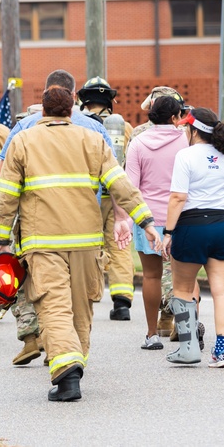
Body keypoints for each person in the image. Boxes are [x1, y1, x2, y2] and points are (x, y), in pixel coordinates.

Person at [0, 84, 158, 401]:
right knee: (81, 310)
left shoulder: (23, 141)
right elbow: (119, 185)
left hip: (43, 242)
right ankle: (73, 364)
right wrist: (145, 221)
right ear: (71, 111)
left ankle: (67, 372)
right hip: (87, 243)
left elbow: (7, 195)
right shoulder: (93, 140)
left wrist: (0, 241)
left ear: (43, 111)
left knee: (53, 306)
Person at [0, 69, 117, 366]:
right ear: (72, 101)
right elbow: (116, 180)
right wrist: (128, 219)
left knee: (52, 300)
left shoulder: (24, 130)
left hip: (41, 233)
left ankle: (59, 356)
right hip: (86, 232)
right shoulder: (95, 132)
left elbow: (2, 179)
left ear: (43, 102)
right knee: (80, 304)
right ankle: (72, 356)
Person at [162, 107, 224, 368]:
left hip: (192, 226)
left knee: (183, 289)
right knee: (223, 292)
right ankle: (221, 352)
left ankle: (188, 349)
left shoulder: (185, 156)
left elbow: (178, 197)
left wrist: (167, 233)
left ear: (193, 130)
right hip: (223, 225)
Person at [125, 95, 189, 350]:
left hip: (147, 218)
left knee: (151, 276)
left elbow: (130, 187)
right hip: (182, 216)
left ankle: (152, 334)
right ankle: (186, 330)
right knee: (185, 277)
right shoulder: (185, 140)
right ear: (175, 118)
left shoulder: (137, 143)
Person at [77, 76, 137, 321]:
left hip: (88, 194)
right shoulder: (124, 128)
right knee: (119, 244)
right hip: (116, 194)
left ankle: (91, 294)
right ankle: (122, 301)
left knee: (88, 244)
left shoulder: (79, 125)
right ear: (109, 102)